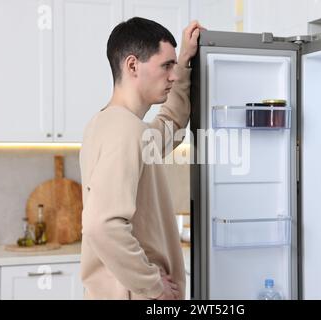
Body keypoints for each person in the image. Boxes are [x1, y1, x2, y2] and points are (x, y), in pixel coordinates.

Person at [79, 17, 202, 300]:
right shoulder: (125, 131)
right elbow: (102, 225)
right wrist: (153, 286)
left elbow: (171, 124)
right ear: (133, 65)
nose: (172, 76)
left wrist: (184, 60)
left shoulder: (110, 124)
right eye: (166, 66)